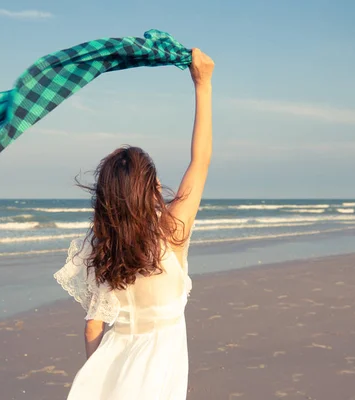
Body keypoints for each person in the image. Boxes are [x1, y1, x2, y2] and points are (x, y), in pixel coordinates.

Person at [54, 48, 214, 400]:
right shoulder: (170, 233)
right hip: (156, 378)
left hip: (113, 368)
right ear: (150, 190)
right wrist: (203, 84)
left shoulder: (104, 247)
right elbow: (200, 162)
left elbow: (93, 326)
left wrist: (96, 376)